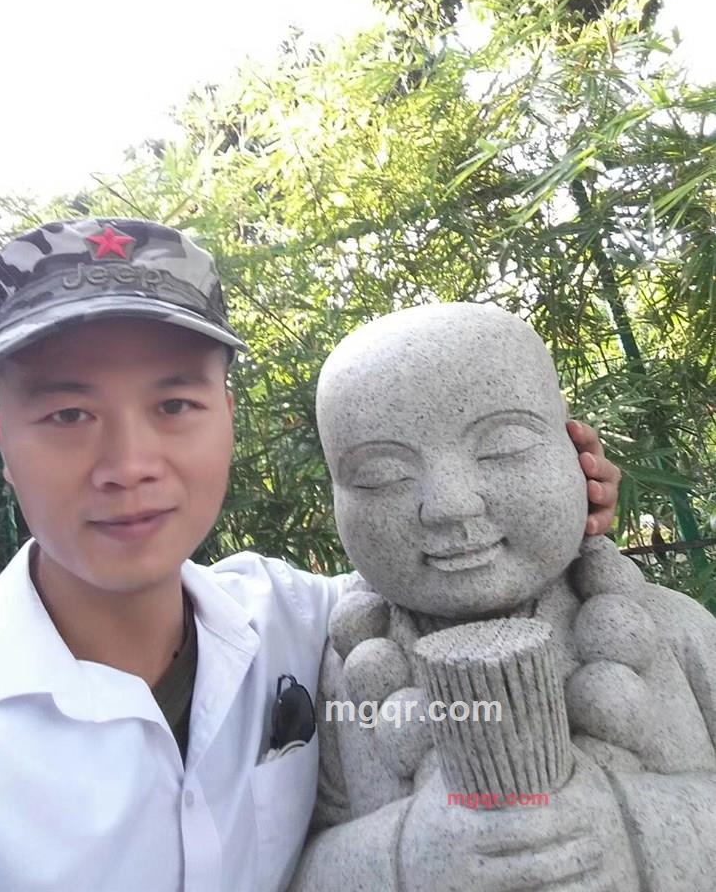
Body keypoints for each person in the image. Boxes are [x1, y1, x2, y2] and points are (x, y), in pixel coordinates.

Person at [0, 218, 621, 892]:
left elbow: (449, 575)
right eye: (68, 416)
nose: (129, 465)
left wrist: (554, 496)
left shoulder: (301, 623)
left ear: (226, 417)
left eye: (175, 404)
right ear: (3, 441)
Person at [290, 302, 716, 892]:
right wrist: (404, 852)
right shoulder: (342, 677)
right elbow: (293, 860)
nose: (450, 505)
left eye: (505, 446)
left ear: (577, 451)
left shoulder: (677, 631)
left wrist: (632, 822)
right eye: (380, 475)